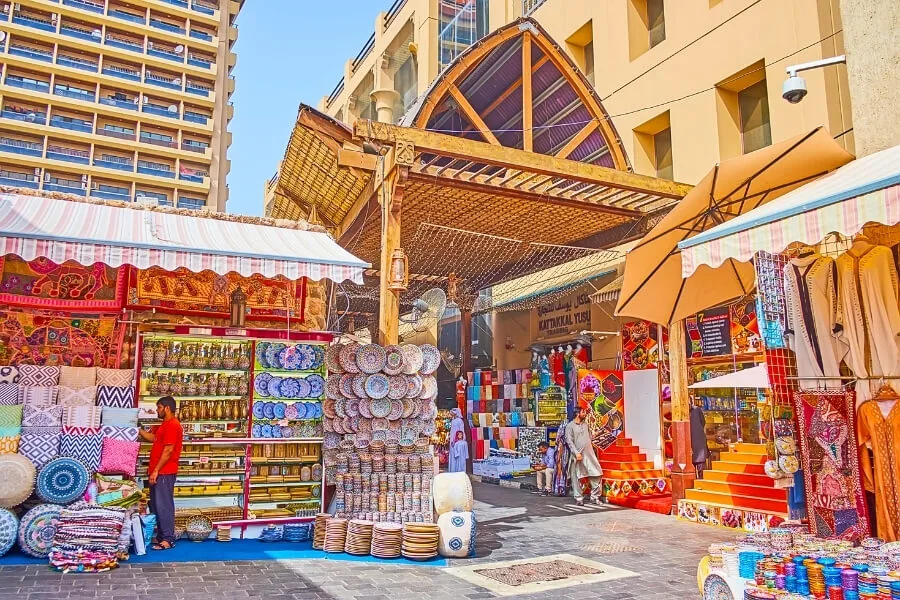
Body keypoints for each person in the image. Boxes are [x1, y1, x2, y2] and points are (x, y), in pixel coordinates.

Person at [138, 396, 183, 550]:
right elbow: (153, 438)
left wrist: (156, 470)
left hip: (165, 471)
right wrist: (137, 429)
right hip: (159, 471)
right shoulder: (164, 425)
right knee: (157, 505)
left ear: (167, 408)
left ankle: (168, 539)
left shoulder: (172, 425)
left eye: (158, 408)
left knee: (164, 505)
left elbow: (169, 450)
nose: (157, 411)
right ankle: (163, 535)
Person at [564, 401, 603, 506]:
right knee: (576, 477)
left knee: (596, 474)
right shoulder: (570, 426)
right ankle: (579, 499)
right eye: (583, 412)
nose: (585, 414)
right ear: (577, 414)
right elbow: (569, 442)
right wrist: (576, 453)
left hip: (589, 455)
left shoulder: (585, 425)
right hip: (577, 456)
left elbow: (589, 437)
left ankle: (595, 497)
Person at [690, 401, 710, 478]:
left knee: (701, 465)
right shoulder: (695, 410)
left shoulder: (696, 410)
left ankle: (701, 481)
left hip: (698, 441)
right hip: (693, 442)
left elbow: (702, 422)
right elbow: (703, 422)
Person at [448, 408, 468, 473]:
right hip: (452, 441)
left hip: (458, 441)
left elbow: (461, 431)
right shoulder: (453, 421)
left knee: (458, 457)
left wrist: (461, 439)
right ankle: (453, 470)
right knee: (453, 455)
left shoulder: (459, 421)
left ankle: (458, 471)